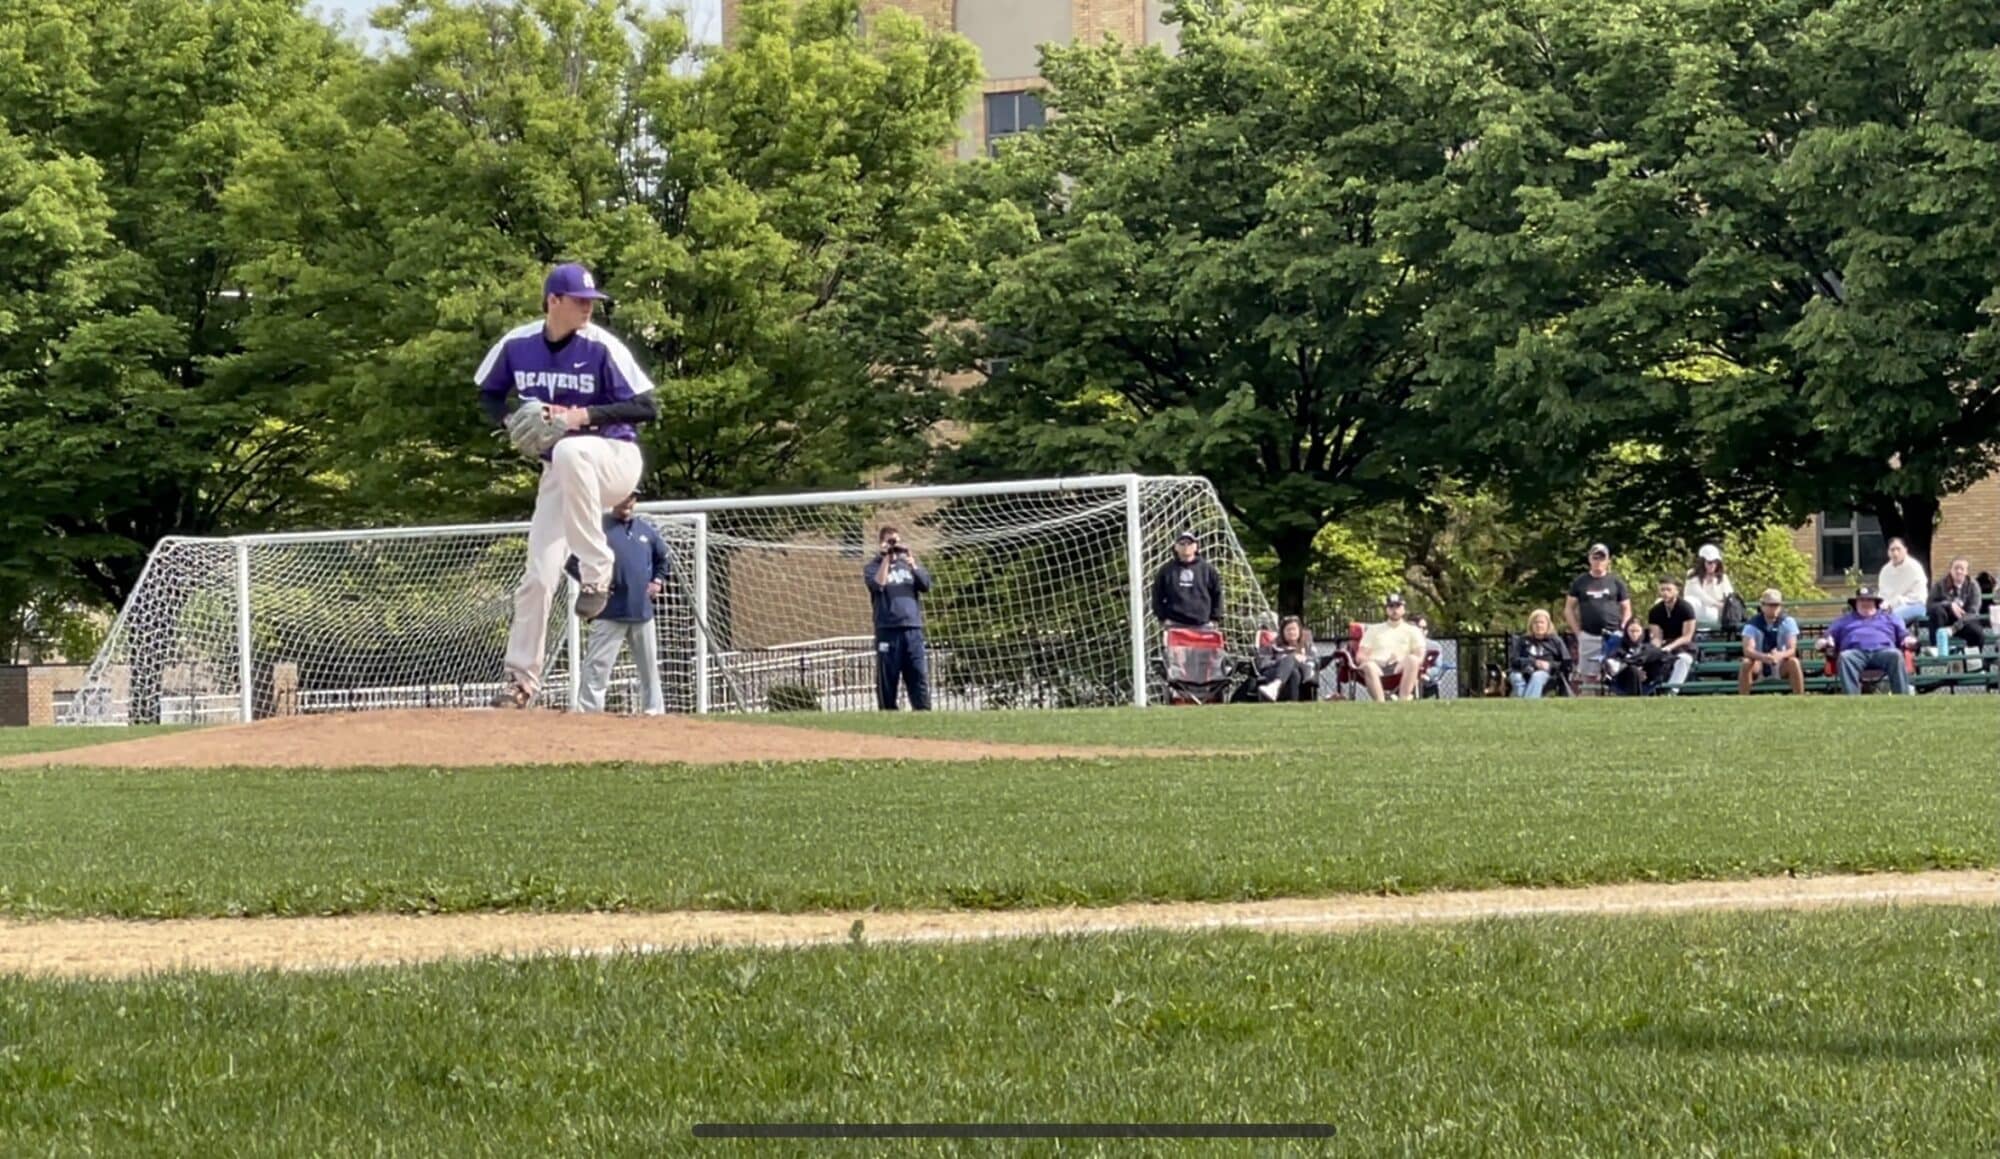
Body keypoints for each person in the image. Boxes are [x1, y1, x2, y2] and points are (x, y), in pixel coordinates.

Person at [479, 263, 657, 708]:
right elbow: (487, 394)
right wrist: (507, 421)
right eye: (579, 301)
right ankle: (520, 684)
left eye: (591, 303)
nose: (587, 310)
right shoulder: (517, 344)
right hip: (561, 475)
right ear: (552, 301)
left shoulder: (600, 346)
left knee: (571, 449)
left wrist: (582, 417)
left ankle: (597, 571)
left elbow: (647, 407)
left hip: (614, 459)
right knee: (538, 578)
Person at [571, 494, 671, 715]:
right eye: (623, 497)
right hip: (608, 612)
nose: (627, 502)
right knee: (597, 667)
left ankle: (654, 712)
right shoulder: (598, 529)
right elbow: (573, 562)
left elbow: (663, 559)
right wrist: (596, 584)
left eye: (632, 498)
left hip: (642, 612)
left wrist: (657, 580)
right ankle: (589, 713)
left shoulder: (646, 530)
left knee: (650, 669)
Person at [864, 525, 933, 711]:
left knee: (917, 673)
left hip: (912, 629)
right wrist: (887, 558)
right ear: (881, 544)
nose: (894, 545)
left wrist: (912, 563)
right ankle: (888, 712)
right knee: (888, 677)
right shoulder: (872, 567)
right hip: (888, 630)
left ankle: (923, 711)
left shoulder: (908, 566)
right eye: (890, 541)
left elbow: (926, 585)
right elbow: (878, 585)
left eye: (896, 541)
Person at [1817, 586, 1916, 695]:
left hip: (1884, 652)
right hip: (1856, 653)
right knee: (1845, 657)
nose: (1865, 603)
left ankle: (1902, 697)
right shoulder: (1843, 620)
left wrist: (1908, 639)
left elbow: (1904, 634)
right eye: (1861, 600)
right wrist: (1825, 641)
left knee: (1896, 655)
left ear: (1875, 602)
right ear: (1855, 603)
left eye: (1869, 600)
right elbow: (1828, 636)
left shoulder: (1890, 618)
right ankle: (1852, 699)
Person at [1564, 543, 1632, 694]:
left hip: (1613, 635)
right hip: (1589, 635)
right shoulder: (1580, 582)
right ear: (1589, 559)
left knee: (1614, 672)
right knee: (1589, 677)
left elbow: (1627, 608)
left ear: (1608, 561)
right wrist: (1578, 633)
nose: (1598, 562)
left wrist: (1622, 630)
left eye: (1602, 558)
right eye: (1595, 558)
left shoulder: (1616, 582)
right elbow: (1569, 608)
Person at [1357, 593, 1427, 703]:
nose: (1394, 610)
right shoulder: (1373, 630)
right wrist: (1375, 661)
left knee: (1413, 660)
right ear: (1386, 610)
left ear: (1403, 609)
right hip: (1377, 667)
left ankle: (1403, 701)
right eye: (1391, 606)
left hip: (1400, 667)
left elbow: (1420, 656)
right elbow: (1360, 656)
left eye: (1398, 606)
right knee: (1368, 665)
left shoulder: (1413, 630)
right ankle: (1381, 704)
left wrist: (1400, 660)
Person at [1738, 589, 1806, 695]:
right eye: (1770, 605)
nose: (1774, 608)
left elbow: (1792, 649)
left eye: (1777, 605)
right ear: (1762, 606)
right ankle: (1743, 698)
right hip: (1759, 663)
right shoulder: (1752, 624)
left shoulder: (1788, 622)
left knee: (1794, 662)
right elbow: (1748, 650)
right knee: (1746, 663)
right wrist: (1764, 657)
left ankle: (1799, 697)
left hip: (1780, 663)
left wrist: (1779, 655)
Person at [1152, 530, 1223, 628]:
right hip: (1174, 623)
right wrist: (1162, 617)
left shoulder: (1207, 569)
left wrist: (1215, 618)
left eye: (1189, 543)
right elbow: (1157, 595)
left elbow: (1217, 594)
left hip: (1203, 624)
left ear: (1196, 546)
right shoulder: (1167, 570)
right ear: (1176, 547)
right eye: (1182, 543)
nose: (1186, 546)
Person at [1646, 576, 1699, 689]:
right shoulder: (1655, 611)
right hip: (1665, 645)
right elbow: (1657, 636)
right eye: (1662, 589)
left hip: (1685, 646)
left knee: (1683, 660)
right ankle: (1650, 689)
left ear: (1676, 591)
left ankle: (1671, 690)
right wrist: (1656, 648)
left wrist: (1670, 647)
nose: (1665, 593)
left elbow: (1687, 637)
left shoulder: (1686, 608)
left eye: (1668, 589)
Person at [1926, 557, 1985, 656]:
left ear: (1966, 572)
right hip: (1943, 622)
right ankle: (1937, 649)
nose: (1959, 571)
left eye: (1962, 569)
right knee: (1937, 610)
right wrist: (1949, 605)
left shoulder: (1973, 586)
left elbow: (1972, 612)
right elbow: (1929, 605)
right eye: (1956, 568)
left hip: (1964, 622)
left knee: (1978, 633)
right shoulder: (1940, 585)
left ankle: (1974, 663)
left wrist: (1954, 628)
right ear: (1950, 570)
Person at [1508, 609, 1570, 699]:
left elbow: (1567, 663)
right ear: (1531, 625)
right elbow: (1514, 660)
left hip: (1546, 673)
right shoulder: (1522, 640)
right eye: (1535, 623)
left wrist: (1549, 665)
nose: (1539, 625)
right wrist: (1534, 662)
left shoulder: (1555, 641)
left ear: (1548, 625)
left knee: (1537, 676)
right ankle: (1526, 706)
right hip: (1523, 670)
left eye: (1542, 622)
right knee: (1516, 677)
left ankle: (1526, 706)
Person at [1603, 617, 1670, 696]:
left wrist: (1646, 674)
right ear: (1626, 631)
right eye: (1631, 631)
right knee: (1633, 670)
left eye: (1637, 631)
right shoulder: (1619, 646)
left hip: (1646, 678)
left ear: (1642, 631)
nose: (1634, 634)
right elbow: (1611, 663)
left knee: (1657, 656)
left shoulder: (1648, 647)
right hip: (1623, 679)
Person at [1255, 616, 1316, 702]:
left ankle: (1275, 688)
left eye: (1294, 629)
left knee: (1294, 673)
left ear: (1299, 631)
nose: (1291, 632)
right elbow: (1263, 664)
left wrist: (1303, 659)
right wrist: (1282, 661)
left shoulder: (1307, 646)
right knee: (1291, 659)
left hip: (1300, 674)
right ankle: (1276, 687)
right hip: (1273, 672)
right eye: (1288, 630)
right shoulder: (1273, 646)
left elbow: (1315, 660)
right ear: (1282, 632)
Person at [1876, 537, 1929, 627]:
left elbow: (1919, 596)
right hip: (1890, 607)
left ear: (1905, 550)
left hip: (1915, 605)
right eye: (1892, 550)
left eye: (1898, 549)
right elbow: (1883, 595)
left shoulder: (1915, 567)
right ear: (1888, 552)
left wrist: (1897, 602)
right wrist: (1886, 605)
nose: (1895, 553)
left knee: (1893, 617)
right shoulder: (1885, 571)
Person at [1683, 544, 1736, 630]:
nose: (1713, 565)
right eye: (1710, 562)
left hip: (1715, 613)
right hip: (1698, 610)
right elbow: (1699, 594)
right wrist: (1716, 603)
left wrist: (1723, 604)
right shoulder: (1692, 575)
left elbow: (1730, 595)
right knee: (1689, 601)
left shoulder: (1723, 577)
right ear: (1702, 562)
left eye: (1716, 562)